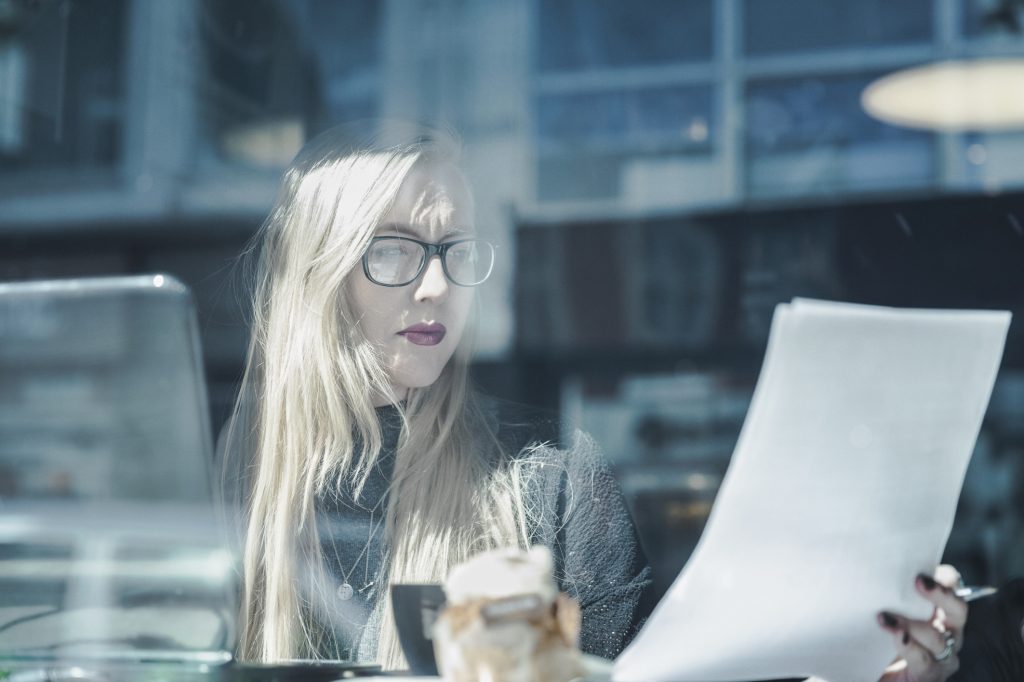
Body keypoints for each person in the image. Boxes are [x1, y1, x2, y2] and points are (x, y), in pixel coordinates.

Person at [218, 122, 967, 680]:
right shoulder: (234, 479)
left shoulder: (548, 479)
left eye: (455, 249)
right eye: (393, 250)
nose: (438, 286)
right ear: (317, 274)